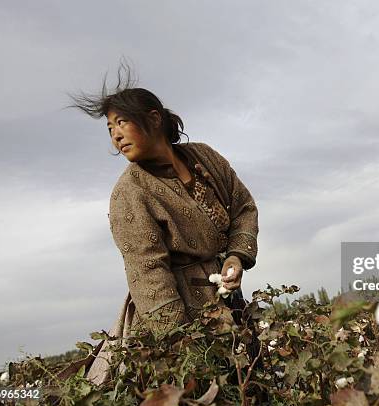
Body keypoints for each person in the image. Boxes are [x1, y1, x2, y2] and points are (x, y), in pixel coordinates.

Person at [67, 64, 259, 385]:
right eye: (110, 128)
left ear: (154, 119)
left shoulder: (205, 158)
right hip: (175, 316)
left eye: (122, 122)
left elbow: (243, 208)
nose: (115, 134)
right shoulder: (130, 193)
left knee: (250, 383)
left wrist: (236, 257)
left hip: (228, 300)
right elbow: (148, 274)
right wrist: (184, 347)